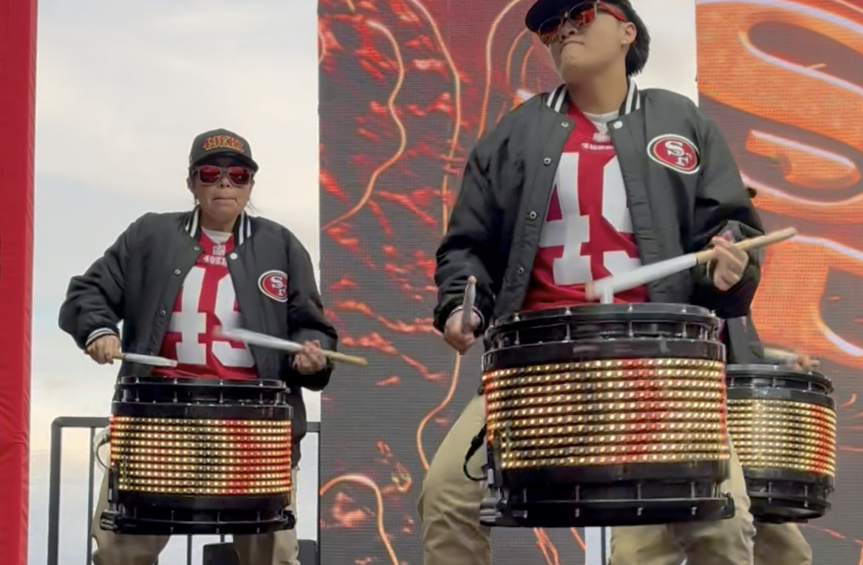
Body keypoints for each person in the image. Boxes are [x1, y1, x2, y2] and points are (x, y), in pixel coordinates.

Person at [419, 1, 765, 564]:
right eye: (549, 26)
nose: (563, 30)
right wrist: (464, 305)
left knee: (723, 525)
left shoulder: (681, 120)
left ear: (627, 31)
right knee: (447, 499)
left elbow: (730, 228)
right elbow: (467, 246)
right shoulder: (516, 132)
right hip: (537, 364)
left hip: (660, 365)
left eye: (581, 13)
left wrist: (729, 265)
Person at [58, 128, 337, 565]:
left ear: (251, 184)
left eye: (238, 175)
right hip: (159, 419)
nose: (224, 183)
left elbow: (310, 325)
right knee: (121, 551)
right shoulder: (150, 235)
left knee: (272, 554)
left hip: (254, 426)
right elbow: (87, 292)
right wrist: (98, 330)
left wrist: (309, 354)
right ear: (191, 182)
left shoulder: (280, 245)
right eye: (210, 174)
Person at [610, 313, 816, 565]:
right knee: (644, 552)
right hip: (658, 403)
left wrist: (776, 362)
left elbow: (737, 341)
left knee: (783, 552)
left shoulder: (727, 302)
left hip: (732, 411)